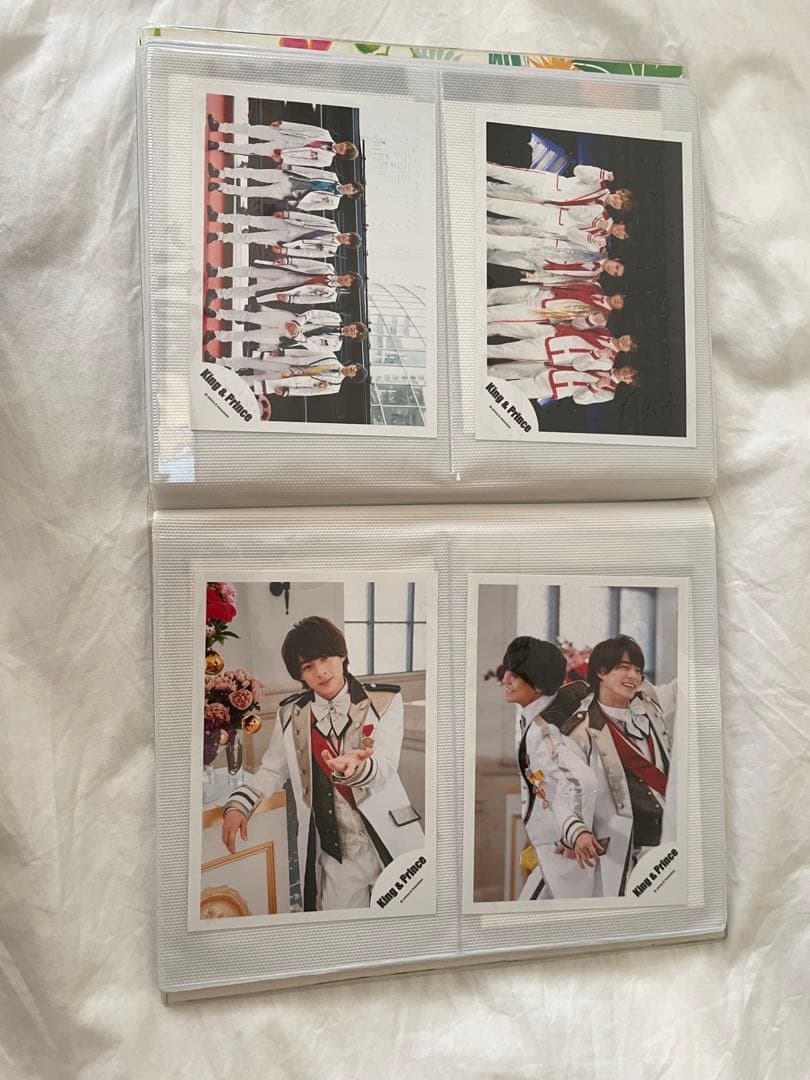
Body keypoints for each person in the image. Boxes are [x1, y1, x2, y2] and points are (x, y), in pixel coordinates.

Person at [221, 616, 423, 912]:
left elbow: (386, 763)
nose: (320, 671)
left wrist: (357, 768)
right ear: (300, 674)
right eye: (308, 666)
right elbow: (272, 770)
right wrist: (240, 805)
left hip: (391, 839)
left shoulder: (384, 701)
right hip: (337, 856)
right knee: (340, 933)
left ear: (342, 655)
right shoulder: (290, 713)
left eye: (325, 658)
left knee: (406, 926)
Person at [561, 635, 676, 897]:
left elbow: (687, 685)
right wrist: (576, 831)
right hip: (623, 851)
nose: (633, 676)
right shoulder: (579, 730)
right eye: (624, 668)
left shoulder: (649, 703)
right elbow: (565, 788)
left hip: (671, 839)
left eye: (638, 669)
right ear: (601, 672)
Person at [497, 637, 600, 900]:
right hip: (551, 848)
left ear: (538, 685)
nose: (505, 679)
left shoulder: (543, 732)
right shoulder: (542, 712)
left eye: (514, 675)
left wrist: (575, 833)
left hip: (562, 851)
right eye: (506, 671)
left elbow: (582, 780)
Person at [486, 162, 634, 212]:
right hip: (545, 183)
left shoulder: (599, 210)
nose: (616, 202)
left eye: (619, 205)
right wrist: (603, 174)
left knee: (499, 193)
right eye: (619, 198)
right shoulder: (599, 183)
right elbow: (578, 170)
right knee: (503, 173)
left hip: (543, 201)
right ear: (618, 191)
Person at [207, 115, 359, 163]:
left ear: (342, 155)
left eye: (345, 150)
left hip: (284, 150)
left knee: (251, 149)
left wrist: (283, 159)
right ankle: (219, 127)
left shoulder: (326, 160)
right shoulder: (325, 134)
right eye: (346, 145)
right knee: (251, 130)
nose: (343, 147)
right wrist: (283, 124)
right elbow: (303, 127)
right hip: (284, 134)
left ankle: (218, 146)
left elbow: (303, 162)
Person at [489, 362, 639, 406]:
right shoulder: (606, 362)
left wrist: (595, 387)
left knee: (507, 390)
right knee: (499, 370)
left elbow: (579, 400)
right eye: (630, 370)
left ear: (628, 382)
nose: (627, 374)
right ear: (628, 365)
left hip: (552, 386)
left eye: (630, 377)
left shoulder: (609, 393)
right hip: (548, 367)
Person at [204, 271, 362, 312]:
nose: (346, 280)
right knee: (253, 273)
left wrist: (290, 299)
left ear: (347, 287)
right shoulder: (329, 269)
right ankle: (219, 273)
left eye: (349, 282)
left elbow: (309, 300)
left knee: (254, 292)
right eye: (349, 277)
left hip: (291, 292)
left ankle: (219, 294)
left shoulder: (331, 295)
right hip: (291, 275)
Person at [487, 328, 639, 368]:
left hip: (551, 351)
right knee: (505, 327)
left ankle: (477, 351)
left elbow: (578, 366)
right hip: (553, 332)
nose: (627, 341)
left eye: (629, 346)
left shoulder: (607, 362)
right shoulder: (605, 332)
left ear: (627, 352)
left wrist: (595, 355)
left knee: (504, 350)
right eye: (630, 338)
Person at [206, 206, 353, 247]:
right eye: (348, 236)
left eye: (347, 241)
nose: (345, 238)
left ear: (346, 244)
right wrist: (287, 214)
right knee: (252, 220)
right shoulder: (331, 224)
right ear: (347, 233)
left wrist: (287, 251)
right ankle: (219, 217)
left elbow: (308, 253)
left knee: (251, 238)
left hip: (288, 239)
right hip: (289, 223)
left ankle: (219, 237)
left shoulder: (331, 250)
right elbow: (309, 217)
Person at [204, 306, 341, 349]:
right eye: (352, 328)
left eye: (352, 334)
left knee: (249, 336)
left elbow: (313, 347)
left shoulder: (336, 345)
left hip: (288, 337)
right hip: (290, 320)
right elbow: (314, 313)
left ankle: (216, 335)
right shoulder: (335, 318)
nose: (351, 331)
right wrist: (296, 324)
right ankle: (218, 314)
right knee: (252, 316)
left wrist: (295, 334)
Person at [252, 360, 369, 398]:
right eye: (356, 367)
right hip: (290, 366)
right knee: (254, 366)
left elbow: (309, 392)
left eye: (356, 372)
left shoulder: (335, 387)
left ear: (353, 378)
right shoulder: (332, 357)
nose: (354, 369)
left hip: (290, 382)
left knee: (254, 384)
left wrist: (287, 391)